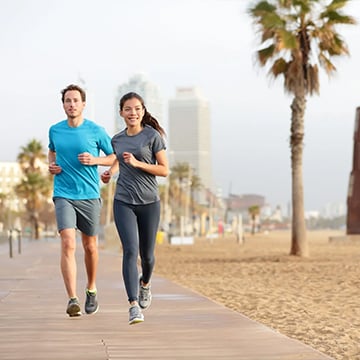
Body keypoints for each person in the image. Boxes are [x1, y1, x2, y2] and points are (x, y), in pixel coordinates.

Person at [48, 84, 116, 317]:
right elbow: (52, 151)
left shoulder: (96, 130)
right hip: (63, 193)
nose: (72, 104)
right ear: (63, 104)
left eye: (76, 100)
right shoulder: (55, 130)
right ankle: (72, 299)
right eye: (68, 100)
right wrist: (52, 166)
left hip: (89, 194)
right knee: (68, 242)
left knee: (90, 246)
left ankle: (91, 288)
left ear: (83, 104)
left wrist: (95, 161)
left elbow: (114, 156)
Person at [101, 92, 168, 325]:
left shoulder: (152, 136)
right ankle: (133, 306)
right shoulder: (117, 139)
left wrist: (138, 163)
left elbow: (164, 170)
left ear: (143, 111)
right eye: (128, 109)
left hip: (149, 202)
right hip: (124, 201)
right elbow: (119, 160)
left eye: (137, 108)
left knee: (147, 256)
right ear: (121, 112)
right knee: (130, 250)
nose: (133, 113)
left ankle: (145, 284)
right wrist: (110, 173)